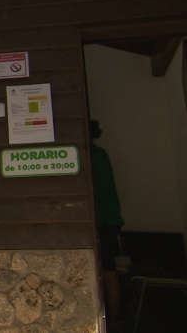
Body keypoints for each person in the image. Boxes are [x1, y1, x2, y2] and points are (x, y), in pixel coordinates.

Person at [90, 119, 124, 333]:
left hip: (99, 220)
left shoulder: (87, 156)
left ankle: (107, 321)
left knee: (104, 272)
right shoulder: (101, 155)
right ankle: (115, 321)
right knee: (109, 270)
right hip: (110, 220)